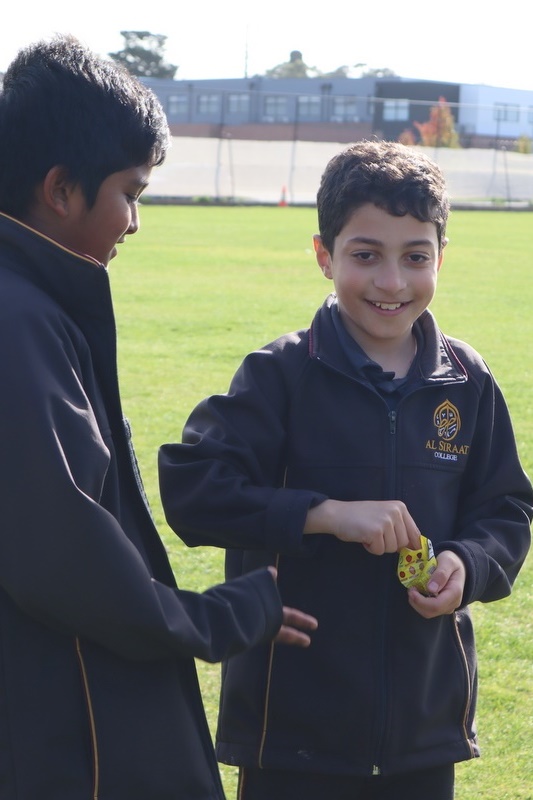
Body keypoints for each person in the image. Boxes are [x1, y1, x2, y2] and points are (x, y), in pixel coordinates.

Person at [159, 140, 533, 800]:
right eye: (365, 255)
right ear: (324, 255)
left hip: (422, 727)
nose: (391, 282)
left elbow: (505, 508)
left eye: (414, 257)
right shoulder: (278, 375)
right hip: (294, 725)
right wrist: (323, 515)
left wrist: (467, 565)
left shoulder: (466, 383)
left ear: (440, 258)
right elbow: (191, 488)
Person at [0, 35, 318, 800]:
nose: (135, 223)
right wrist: (222, 615)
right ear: (60, 189)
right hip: (61, 735)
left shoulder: (33, 304)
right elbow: (64, 554)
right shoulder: (19, 322)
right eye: (130, 193)